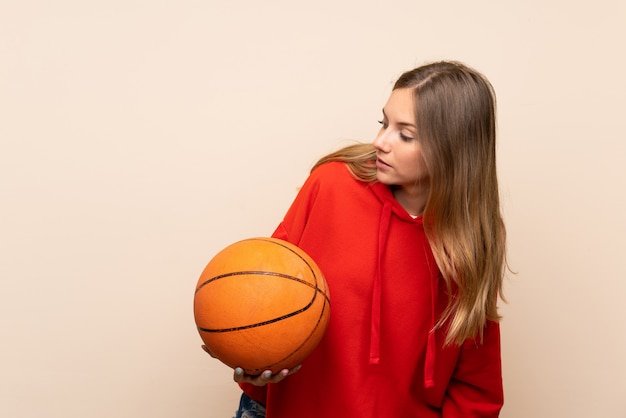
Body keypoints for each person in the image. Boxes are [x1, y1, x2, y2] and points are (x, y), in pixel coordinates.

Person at [207, 60, 507, 417]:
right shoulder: (330, 184)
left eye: (405, 134)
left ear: (452, 150)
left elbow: (475, 387)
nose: (380, 142)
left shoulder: (470, 243)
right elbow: (265, 293)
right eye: (384, 123)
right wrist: (247, 351)